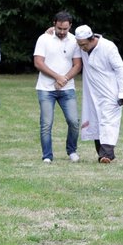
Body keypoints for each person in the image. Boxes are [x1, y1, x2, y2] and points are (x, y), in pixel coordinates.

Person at [75, 25, 123, 163]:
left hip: (110, 92)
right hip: (92, 92)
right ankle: (102, 154)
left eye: (84, 45)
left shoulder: (108, 47)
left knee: (108, 122)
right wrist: (50, 31)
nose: (82, 48)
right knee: (95, 122)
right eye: (79, 45)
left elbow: (120, 69)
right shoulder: (81, 46)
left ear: (92, 38)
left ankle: (106, 155)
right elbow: (65, 37)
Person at [34, 12, 82, 164]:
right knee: (46, 123)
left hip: (67, 88)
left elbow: (77, 64)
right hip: (45, 88)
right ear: (54, 23)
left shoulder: (74, 40)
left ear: (70, 26)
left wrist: (65, 78)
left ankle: (72, 150)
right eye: (59, 28)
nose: (62, 32)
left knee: (74, 121)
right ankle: (47, 155)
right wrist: (57, 77)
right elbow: (38, 63)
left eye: (65, 29)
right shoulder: (44, 38)